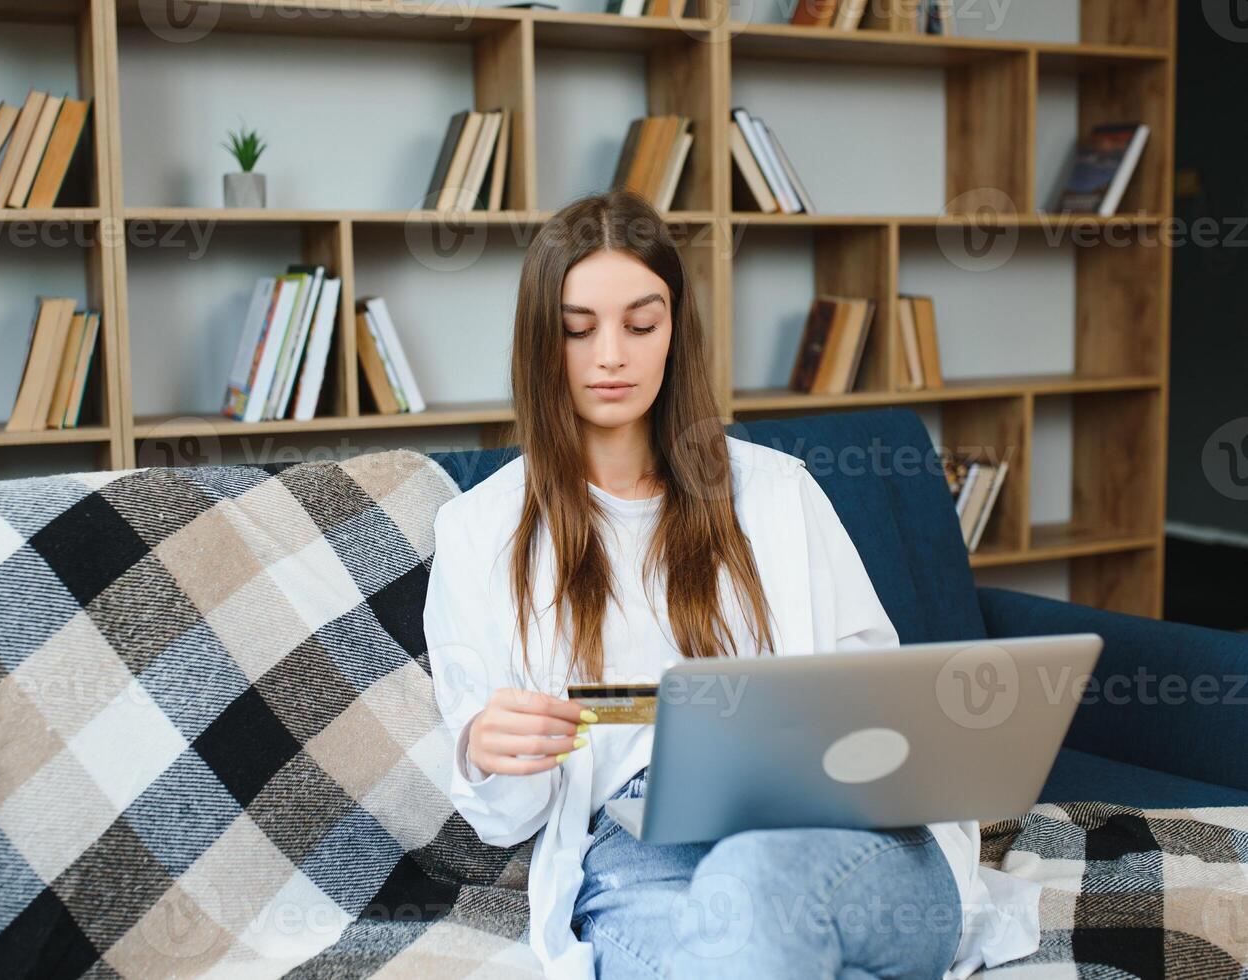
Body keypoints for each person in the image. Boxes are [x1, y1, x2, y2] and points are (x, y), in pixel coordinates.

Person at [422, 190, 1041, 979]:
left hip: (833, 835)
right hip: (640, 851)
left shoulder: (780, 491)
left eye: (641, 324)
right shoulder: (480, 531)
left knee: (752, 888)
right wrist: (487, 751)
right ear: (542, 341)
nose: (611, 355)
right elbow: (506, 821)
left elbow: (884, 704)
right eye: (580, 330)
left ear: (676, 329)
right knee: (752, 940)